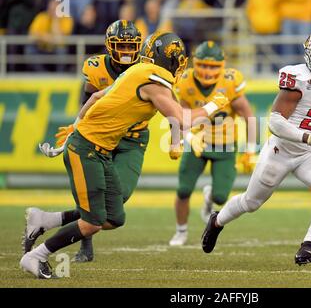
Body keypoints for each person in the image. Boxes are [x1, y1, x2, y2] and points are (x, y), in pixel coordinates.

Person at [19, 31, 229, 279]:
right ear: (172, 60)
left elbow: (97, 96)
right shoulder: (153, 79)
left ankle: (45, 219)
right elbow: (183, 119)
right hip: (87, 148)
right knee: (93, 222)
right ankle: (36, 256)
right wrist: (214, 104)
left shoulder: (137, 71)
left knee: (113, 216)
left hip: (99, 149)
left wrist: (76, 125)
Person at [201, 29, 311, 265]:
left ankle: (308, 246)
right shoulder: (298, 79)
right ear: (310, 56)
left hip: (310, 153)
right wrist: (309, 137)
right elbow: (275, 121)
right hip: (282, 150)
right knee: (251, 202)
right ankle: (216, 221)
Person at [22, 19, 145, 263]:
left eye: (131, 46)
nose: (127, 51)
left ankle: (49, 220)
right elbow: (87, 98)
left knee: (117, 199)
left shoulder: (144, 68)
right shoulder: (96, 67)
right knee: (95, 192)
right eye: (121, 46)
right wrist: (76, 128)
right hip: (99, 135)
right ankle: (84, 246)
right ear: (110, 46)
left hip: (132, 138)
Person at [169, 40, 256, 246]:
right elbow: (178, 116)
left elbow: (249, 116)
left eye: (212, 66)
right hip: (198, 143)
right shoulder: (186, 81)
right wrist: (182, 139)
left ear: (222, 66)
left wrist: (250, 150)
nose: (207, 71)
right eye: (204, 65)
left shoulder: (229, 83)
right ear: (195, 64)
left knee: (220, 196)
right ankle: (181, 231)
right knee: (183, 190)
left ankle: (209, 197)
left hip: (225, 145)